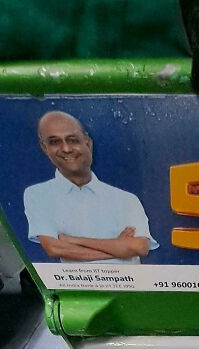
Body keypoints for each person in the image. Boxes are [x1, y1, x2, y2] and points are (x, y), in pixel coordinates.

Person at [23, 110, 159, 263]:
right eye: (55, 142)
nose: (66, 148)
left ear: (87, 143)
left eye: (73, 140)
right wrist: (119, 248)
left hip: (127, 285)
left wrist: (73, 240)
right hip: (76, 285)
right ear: (44, 147)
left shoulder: (126, 199)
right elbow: (55, 248)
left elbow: (140, 247)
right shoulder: (38, 195)